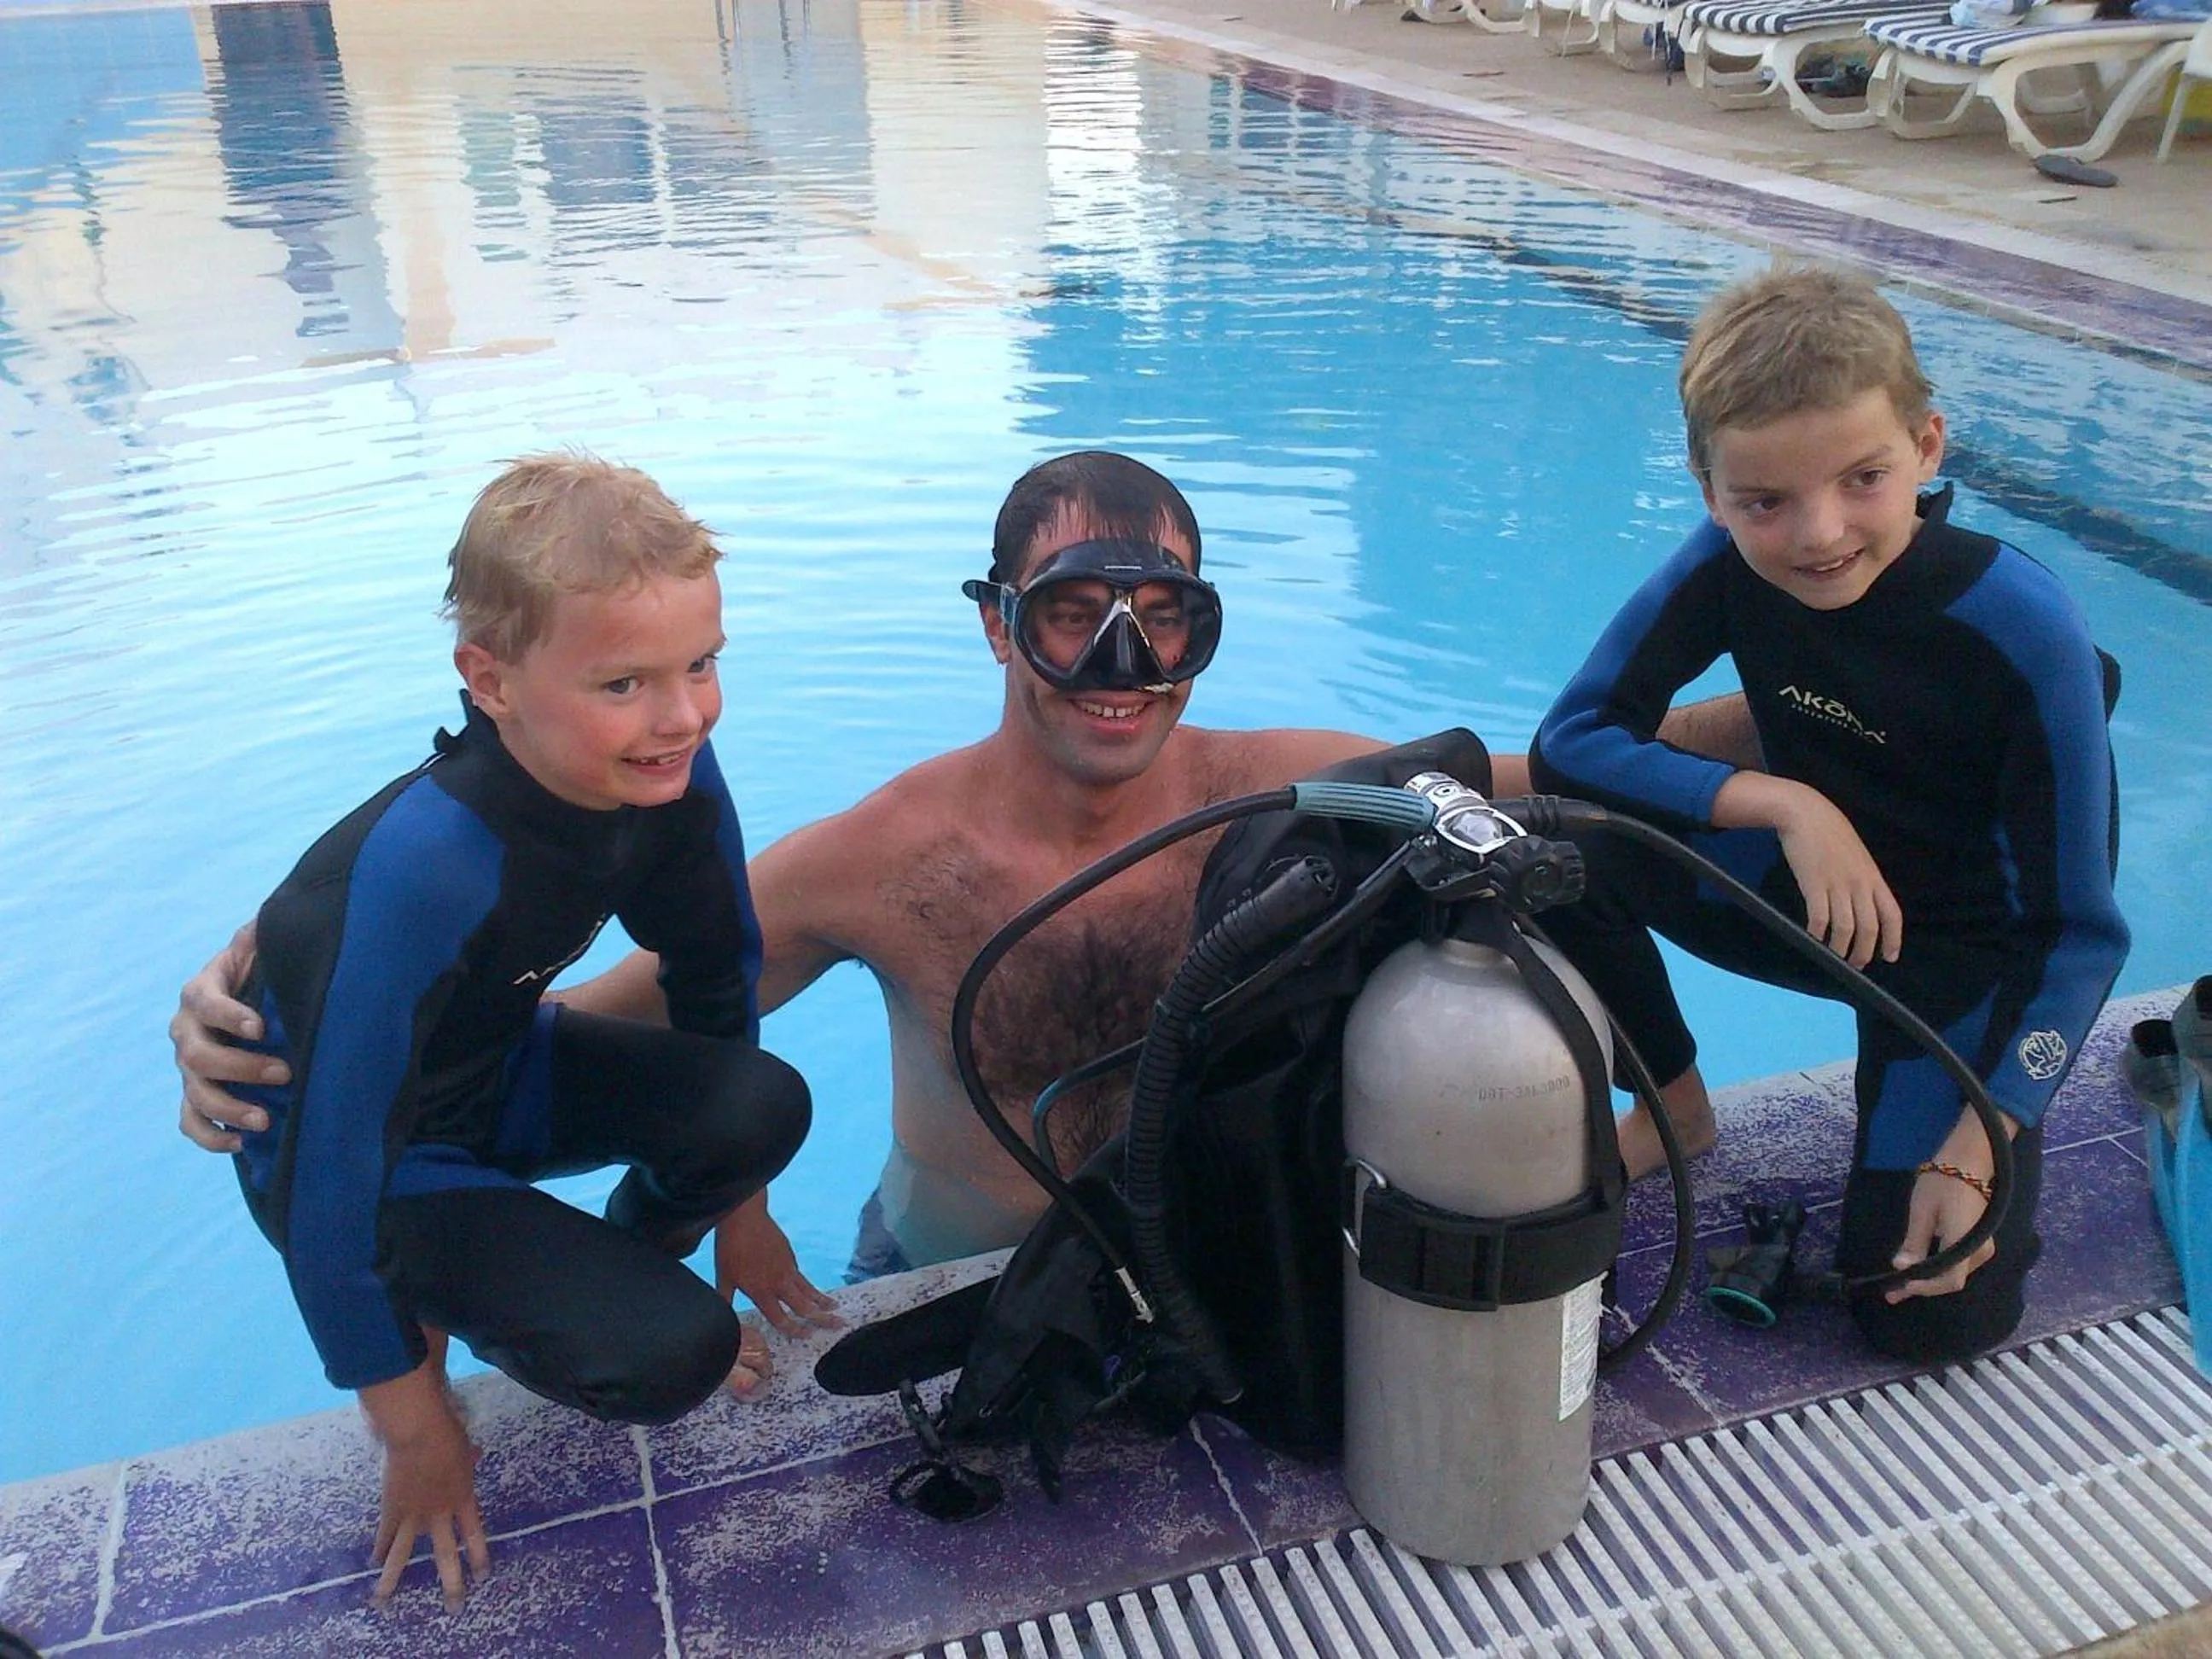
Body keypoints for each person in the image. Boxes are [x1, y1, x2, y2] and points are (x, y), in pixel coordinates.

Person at [176, 452, 1755, 1354]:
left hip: (1204, 1269)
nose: (1124, 666)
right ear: (999, 627)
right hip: (940, 1285)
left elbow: (1580, 772)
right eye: (1073, 615)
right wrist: (272, 1047)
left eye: (1165, 618)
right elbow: (541, 1029)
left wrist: (1809, 749)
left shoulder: (1283, 788)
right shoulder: (874, 859)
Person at [207, 454, 812, 1610]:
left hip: (499, 1074)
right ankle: (460, 1303)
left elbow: (717, 983)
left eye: (701, 664)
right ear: (490, 680)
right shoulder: (417, 871)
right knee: (670, 1359)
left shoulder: (667, 773)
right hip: (368, 1165)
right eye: (623, 683)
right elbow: (322, 1182)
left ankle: (617, 1272)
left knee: (763, 1102)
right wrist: (413, 1426)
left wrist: (743, 1217)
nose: (682, 715)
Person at [1528, 265, 2128, 1362]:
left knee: (1925, 1313)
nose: (1819, 533)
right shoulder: (1723, 563)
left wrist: (1986, 1136)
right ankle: (1674, 1107)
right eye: (1765, 501)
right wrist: (1785, 802)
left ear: (1928, 447)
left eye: (1864, 479)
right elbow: (1571, 741)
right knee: (1541, 848)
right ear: (1710, 491)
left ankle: (1932, 1130)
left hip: (1961, 964)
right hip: (1814, 902)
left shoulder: (2023, 625)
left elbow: (2079, 935)